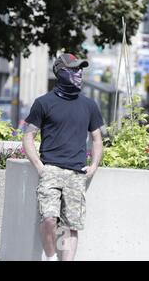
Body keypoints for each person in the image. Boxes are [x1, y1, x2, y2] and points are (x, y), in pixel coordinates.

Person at [22, 53, 104, 261]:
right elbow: (28, 137)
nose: (79, 74)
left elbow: (96, 139)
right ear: (61, 72)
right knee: (49, 219)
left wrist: (93, 166)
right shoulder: (43, 103)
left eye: (81, 70)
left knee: (71, 226)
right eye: (74, 69)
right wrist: (40, 166)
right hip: (50, 170)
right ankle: (50, 257)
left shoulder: (89, 105)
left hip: (77, 173)